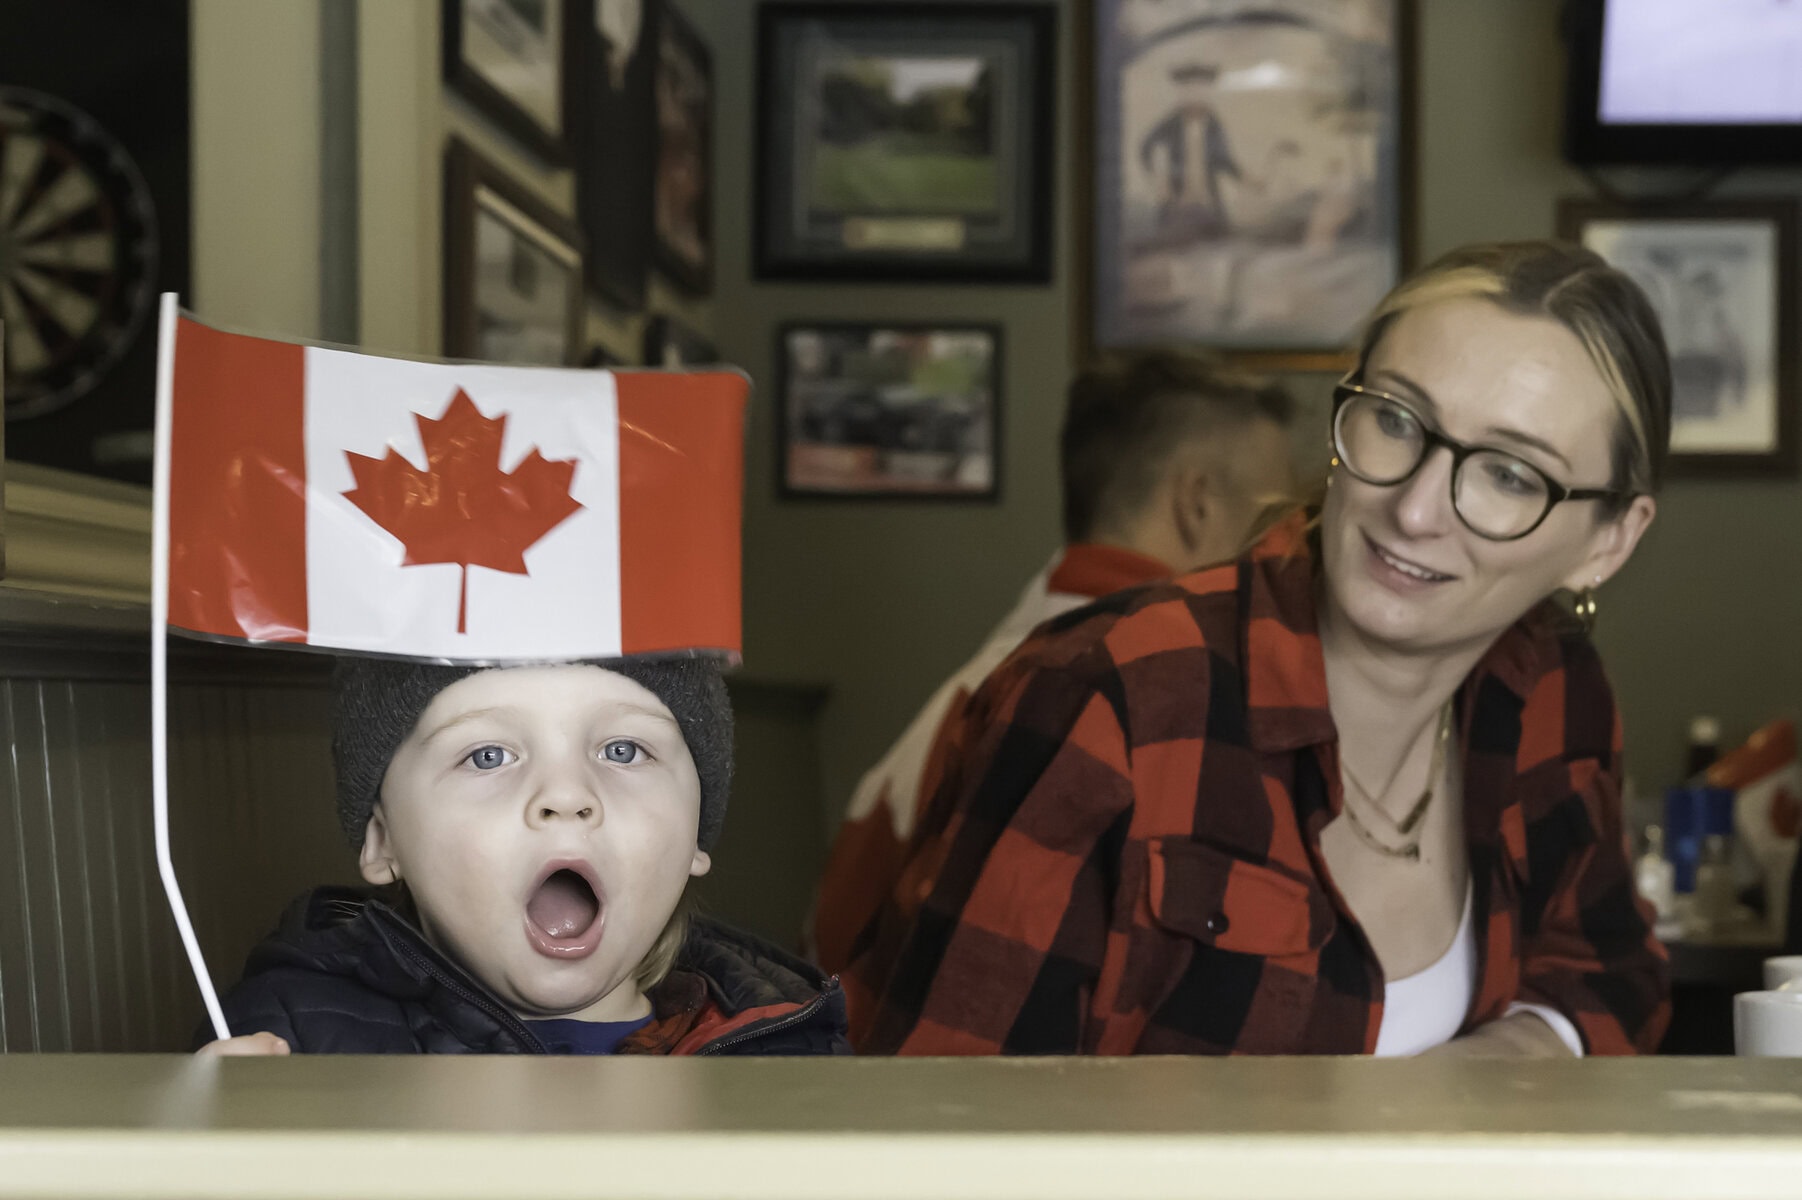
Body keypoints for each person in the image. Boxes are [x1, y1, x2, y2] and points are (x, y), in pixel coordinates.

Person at [846, 240, 1674, 1057]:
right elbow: (941, 1131)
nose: (1417, 509)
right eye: (1395, 419)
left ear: (1607, 543)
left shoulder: (1555, 693)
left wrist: (1505, 1059)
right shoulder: (1109, 699)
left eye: (1511, 475)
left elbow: (1609, 969)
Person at [808, 353, 1297, 975]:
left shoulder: (992, 677)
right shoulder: (1126, 705)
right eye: (1274, 518)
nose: (1285, 547)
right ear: (1196, 502)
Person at [200, 655, 849, 1056]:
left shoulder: (783, 1045)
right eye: (488, 755)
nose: (566, 797)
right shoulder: (291, 1040)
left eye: (623, 750)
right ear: (382, 841)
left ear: (695, 836)